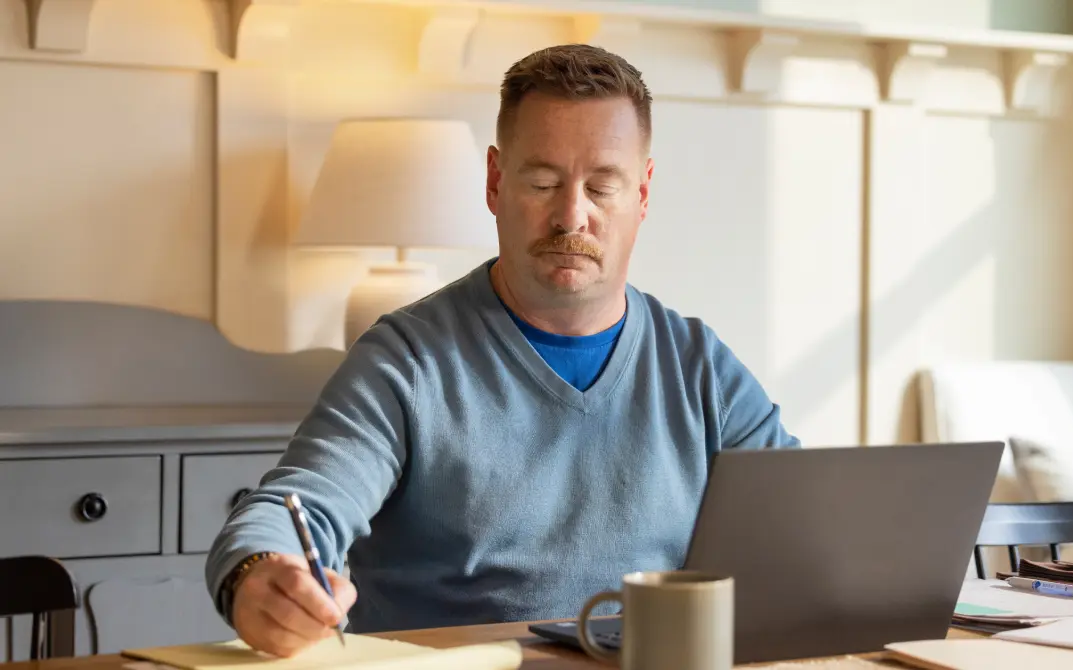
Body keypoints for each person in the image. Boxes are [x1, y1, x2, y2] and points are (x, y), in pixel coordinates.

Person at [205, 43, 800, 658]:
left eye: (603, 186)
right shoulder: (407, 359)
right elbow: (298, 501)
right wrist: (261, 573)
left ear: (643, 194)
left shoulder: (700, 367)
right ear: (494, 182)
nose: (572, 215)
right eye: (543, 182)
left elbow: (808, 528)